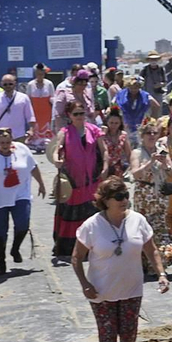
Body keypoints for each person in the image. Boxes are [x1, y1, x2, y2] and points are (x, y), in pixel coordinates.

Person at [70, 177, 167, 342]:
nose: (124, 201)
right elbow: (76, 258)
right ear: (105, 201)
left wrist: (161, 274)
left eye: (126, 196)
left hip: (131, 289)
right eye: (119, 197)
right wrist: (85, 284)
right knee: (107, 336)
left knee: (129, 335)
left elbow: (151, 250)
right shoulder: (91, 226)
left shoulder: (138, 220)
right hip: (101, 292)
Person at [0, 126, 46, 273]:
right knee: (0, 232)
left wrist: (41, 184)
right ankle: (1, 262)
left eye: (8, 142)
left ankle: (15, 248)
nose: (5, 146)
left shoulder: (22, 149)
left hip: (20, 194)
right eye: (2, 143)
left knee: (23, 224)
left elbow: (33, 167)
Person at [50, 102, 104, 265]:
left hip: (92, 179)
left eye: (82, 113)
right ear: (69, 116)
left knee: (91, 215)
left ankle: (92, 247)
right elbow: (57, 148)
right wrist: (56, 159)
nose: (80, 117)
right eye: (76, 114)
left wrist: (106, 165)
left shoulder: (94, 130)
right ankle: (68, 248)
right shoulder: (64, 132)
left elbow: (104, 150)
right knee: (72, 215)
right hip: (73, 181)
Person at [128, 120, 172, 275]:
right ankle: (143, 264)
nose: (152, 136)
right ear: (142, 135)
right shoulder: (137, 152)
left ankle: (159, 266)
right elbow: (135, 173)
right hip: (144, 194)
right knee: (144, 229)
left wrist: (165, 166)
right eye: (149, 133)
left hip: (159, 194)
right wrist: (150, 162)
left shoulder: (162, 150)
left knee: (160, 229)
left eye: (155, 133)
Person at [0, 72, 35, 144]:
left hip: (19, 135)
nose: (8, 86)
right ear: (1, 84)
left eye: (10, 84)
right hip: (1, 136)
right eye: (5, 84)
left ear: (15, 83)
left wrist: (31, 130)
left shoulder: (23, 98)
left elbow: (30, 116)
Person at [26, 64, 56, 149]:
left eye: (42, 74)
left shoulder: (49, 83)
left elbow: (52, 96)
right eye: (38, 74)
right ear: (35, 74)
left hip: (46, 110)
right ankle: (35, 143)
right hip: (35, 110)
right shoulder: (30, 84)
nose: (40, 76)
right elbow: (28, 99)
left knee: (47, 126)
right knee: (36, 126)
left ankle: (46, 142)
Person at [100, 109, 132, 180]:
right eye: (111, 123)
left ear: (120, 123)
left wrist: (132, 167)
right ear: (107, 122)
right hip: (103, 167)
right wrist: (102, 134)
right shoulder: (102, 134)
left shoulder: (123, 135)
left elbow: (128, 153)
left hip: (118, 168)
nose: (113, 125)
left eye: (116, 123)